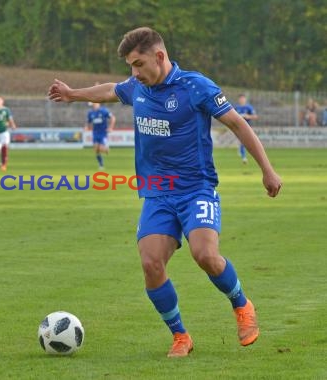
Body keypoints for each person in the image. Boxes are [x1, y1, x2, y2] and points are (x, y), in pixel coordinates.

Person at [48, 27, 282, 358]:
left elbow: (238, 124)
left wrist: (267, 170)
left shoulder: (195, 86)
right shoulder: (137, 87)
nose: (134, 72)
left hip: (196, 189)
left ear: (159, 57)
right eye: (131, 65)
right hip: (157, 193)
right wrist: (73, 94)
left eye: (139, 64)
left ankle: (242, 305)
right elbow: (110, 90)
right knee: (150, 262)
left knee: (205, 255)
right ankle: (180, 336)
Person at [86, 102, 116, 170]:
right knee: (96, 149)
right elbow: (88, 122)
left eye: (93, 104)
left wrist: (111, 127)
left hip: (103, 133)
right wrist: (86, 127)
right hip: (95, 133)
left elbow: (113, 118)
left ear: (97, 104)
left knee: (101, 149)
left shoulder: (104, 111)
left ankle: (106, 148)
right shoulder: (90, 113)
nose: (92, 106)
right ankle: (101, 165)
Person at [234, 94, 258, 164]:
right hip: (238, 128)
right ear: (239, 100)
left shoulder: (249, 107)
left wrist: (247, 116)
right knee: (243, 142)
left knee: (246, 142)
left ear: (245, 99)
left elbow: (255, 116)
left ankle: (242, 152)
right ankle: (244, 157)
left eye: (243, 99)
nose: (242, 100)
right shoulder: (236, 108)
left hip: (248, 127)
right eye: (240, 99)